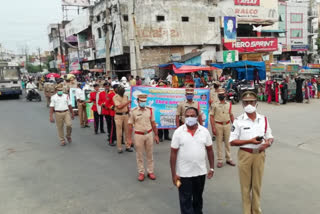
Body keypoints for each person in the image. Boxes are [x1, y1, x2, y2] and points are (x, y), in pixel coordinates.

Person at [230, 91, 274, 214]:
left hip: (260, 155)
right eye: (246, 102)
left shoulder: (263, 119)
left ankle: (256, 210)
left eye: (251, 102)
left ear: (256, 104)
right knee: (245, 187)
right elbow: (232, 142)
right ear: (243, 104)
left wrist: (268, 143)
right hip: (245, 155)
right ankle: (246, 211)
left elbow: (270, 136)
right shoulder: (238, 121)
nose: (249, 104)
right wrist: (250, 141)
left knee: (257, 186)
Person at [170, 107, 215, 214]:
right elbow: (173, 153)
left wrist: (212, 168)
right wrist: (173, 174)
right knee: (185, 200)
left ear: (197, 117)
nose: (190, 118)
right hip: (183, 174)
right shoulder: (178, 132)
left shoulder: (204, 131)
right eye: (187, 116)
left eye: (192, 116)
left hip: (200, 172)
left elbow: (210, 150)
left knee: (198, 198)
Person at [128, 94, 159, 181]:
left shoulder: (150, 110)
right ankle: (141, 172)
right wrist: (129, 138)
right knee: (139, 155)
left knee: (150, 154)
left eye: (144, 101)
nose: (143, 103)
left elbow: (153, 123)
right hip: (138, 135)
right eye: (141, 101)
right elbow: (130, 125)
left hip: (149, 134)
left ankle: (150, 171)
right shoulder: (133, 111)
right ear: (138, 101)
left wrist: (156, 135)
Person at [210, 88, 236, 168]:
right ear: (218, 95)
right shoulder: (214, 105)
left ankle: (228, 159)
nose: (221, 95)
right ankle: (220, 160)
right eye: (220, 94)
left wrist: (235, 125)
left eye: (222, 94)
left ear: (225, 95)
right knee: (219, 143)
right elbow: (211, 116)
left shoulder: (229, 104)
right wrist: (213, 128)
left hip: (227, 125)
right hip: (218, 125)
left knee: (228, 142)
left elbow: (231, 115)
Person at [113, 86, 132, 153]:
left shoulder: (125, 96)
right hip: (119, 116)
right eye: (121, 90)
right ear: (118, 91)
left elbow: (127, 106)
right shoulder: (115, 97)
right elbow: (119, 107)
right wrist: (128, 102)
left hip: (126, 115)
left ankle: (127, 146)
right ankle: (119, 147)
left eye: (123, 90)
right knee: (119, 133)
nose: (123, 91)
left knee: (127, 132)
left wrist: (129, 112)